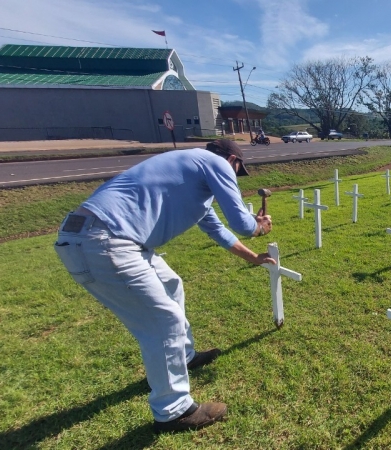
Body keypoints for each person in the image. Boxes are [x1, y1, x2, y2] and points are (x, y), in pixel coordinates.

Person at [53, 139, 275, 433]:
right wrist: (258, 226)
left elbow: (218, 231)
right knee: (163, 320)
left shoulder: (191, 173)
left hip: (101, 236)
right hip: (106, 240)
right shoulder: (214, 162)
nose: (234, 176)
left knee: (172, 284)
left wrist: (253, 258)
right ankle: (174, 411)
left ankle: (184, 356)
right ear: (232, 159)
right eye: (238, 170)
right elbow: (244, 225)